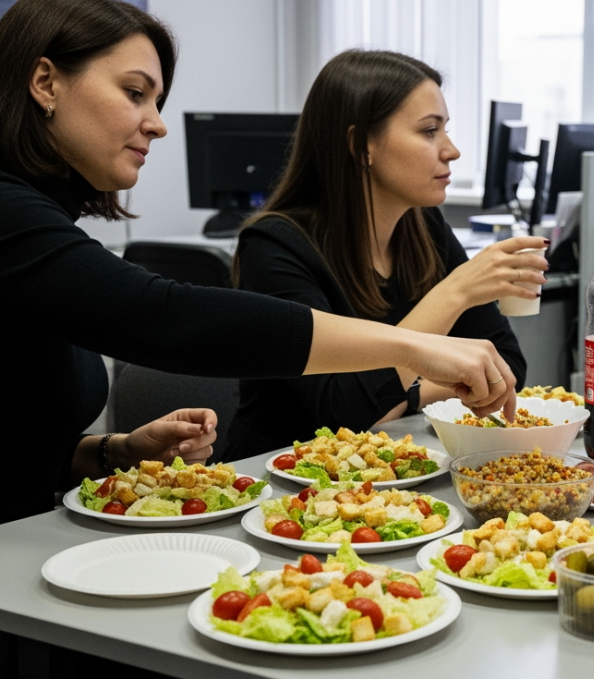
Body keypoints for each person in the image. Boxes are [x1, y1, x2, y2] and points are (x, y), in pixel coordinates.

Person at [0, 0, 515, 674]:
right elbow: (165, 317)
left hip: (2, 567)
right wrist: (410, 343)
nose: (157, 124)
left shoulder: (26, 225)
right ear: (45, 83)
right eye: (135, 93)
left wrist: (109, 451)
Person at [222, 49, 546, 460]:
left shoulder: (425, 228)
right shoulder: (274, 246)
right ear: (361, 145)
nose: (451, 150)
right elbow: (342, 414)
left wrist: (402, 393)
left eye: (445, 130)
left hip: (385, 473)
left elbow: (506, 368)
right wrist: (455, 293)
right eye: (429, 131)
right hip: (278, 479)